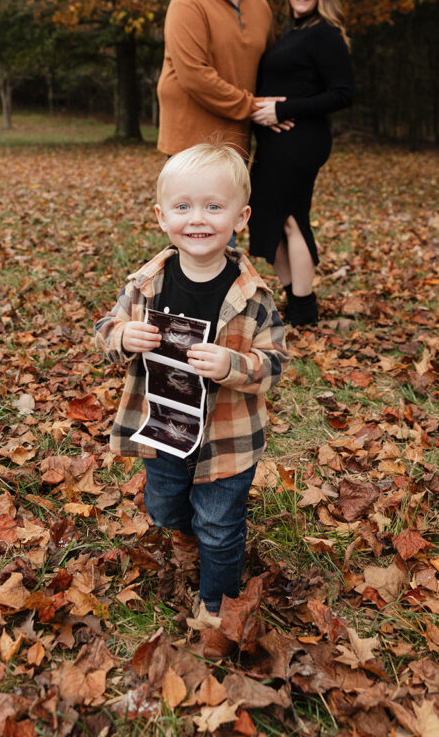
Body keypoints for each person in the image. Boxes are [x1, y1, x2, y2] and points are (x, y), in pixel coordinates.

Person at [95, 144, 288, 615]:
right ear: (162, 217)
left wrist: (233, 366)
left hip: (227, 437)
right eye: (183, 207)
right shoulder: (146, 285)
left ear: (240, 217)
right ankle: (183, 536)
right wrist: (124, 335)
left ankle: (216, 604)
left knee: (219, 527)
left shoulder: (254, 298)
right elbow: (103, 331)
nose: (197, 219)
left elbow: (276, 362)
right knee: (163, 508)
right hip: (163, 426)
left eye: (213, 207)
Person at [249, 0, 354, 326]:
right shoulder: (292, 32)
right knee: (269, 220)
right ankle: (297, 301)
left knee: (291, 220)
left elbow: (343, 93)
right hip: (276, 145)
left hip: (301, 143)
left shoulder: (324, 33)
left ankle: (304, 310)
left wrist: (284, 109)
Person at [156, 0, 274, 159]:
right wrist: (253, 107)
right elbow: (195, 76)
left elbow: (271, 65)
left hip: (235, 147)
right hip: (189, 148)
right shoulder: (188, 1)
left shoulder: (260, 5)